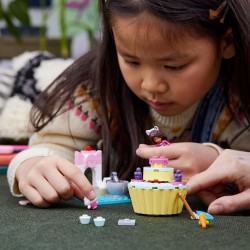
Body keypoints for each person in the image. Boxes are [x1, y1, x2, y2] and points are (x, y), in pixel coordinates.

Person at [7, 0, 250, 213]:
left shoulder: (241, 99)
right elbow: (53, 146)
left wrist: (215, 159)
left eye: (174, 66)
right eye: (131, 61)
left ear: (226, 41)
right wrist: (32, 164)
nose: (151, 85)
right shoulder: (96, 91)